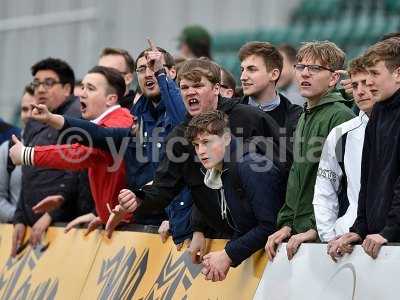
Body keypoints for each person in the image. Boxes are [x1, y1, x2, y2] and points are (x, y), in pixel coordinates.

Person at [114, 58, 287, 264]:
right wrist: (140, 198)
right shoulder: (179, 136)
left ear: (216, 88)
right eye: (184, 87)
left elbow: (286, 168)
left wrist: (289, 222)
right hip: (222, 240)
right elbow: (165, 187)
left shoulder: (248, 117)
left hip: (270, 235)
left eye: (198, 85)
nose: (190, 92)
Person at [10, 66, 133, 236]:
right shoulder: (106, 122)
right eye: (82, 87)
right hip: (117, 226)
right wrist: (100, 213)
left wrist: (27, 154)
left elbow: (80, 154)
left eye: (90, 88)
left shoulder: (121, 120)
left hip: (130, 229)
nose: (81, 94)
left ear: (111, 99)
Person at [265, 41, 355, 261]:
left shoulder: (341, 116)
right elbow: (298, 176)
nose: (305, 73)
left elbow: (342, 185)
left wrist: (315, 229)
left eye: (314, 69)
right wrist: (287, 223)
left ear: (334, 78)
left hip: (326, 237)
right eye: (300, 67)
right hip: (301, 230)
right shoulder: (305, 113)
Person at [185, 110, 285, 281]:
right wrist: (224, 256)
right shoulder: (225, 167)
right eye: (196, 145)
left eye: (206, 142)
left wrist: (228, 254)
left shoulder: (250, 165)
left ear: (226, 138)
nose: (201, 151)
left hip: (285, 260)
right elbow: (245, 224)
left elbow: (271, 225)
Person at [329, 37, 400, 260]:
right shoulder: (378, 112)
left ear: (398, 73)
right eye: (366, 74)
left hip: (391, 239)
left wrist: (391, 230)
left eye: (375, 74)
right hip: (378, 238)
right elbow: (367, 179)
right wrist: (359, 229)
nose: (368, 82)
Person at [10, 57, 81, 257]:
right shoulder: (35, 119)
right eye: (37, 83)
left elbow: (75, 171)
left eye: (48, 83)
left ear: (67, 89)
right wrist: (20, 218)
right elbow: (27, 174)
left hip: (63, 226)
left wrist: (52, 215)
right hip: (33, 224)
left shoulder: (76, 119)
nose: (40, 89)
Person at [313, 56, 376, 244]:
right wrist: (328, 236)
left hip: (386, 236)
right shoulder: (341, 132)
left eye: (366, 83)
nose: (360, 92)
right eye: (355, 86)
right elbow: (324, 188)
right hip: (345, 235)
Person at [239, 41, 302, 151]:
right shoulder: (230, 114)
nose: (243, 77)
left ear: (274, 74)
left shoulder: (296, 116)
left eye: (251, 69)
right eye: (242, 70)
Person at [0, 85, 35, 223]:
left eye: (35, 109)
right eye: (25, 109)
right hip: (17, 234)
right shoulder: (6, 149)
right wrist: (21, 219)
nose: (29, 115)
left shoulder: (60, 148)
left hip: (58, 233)